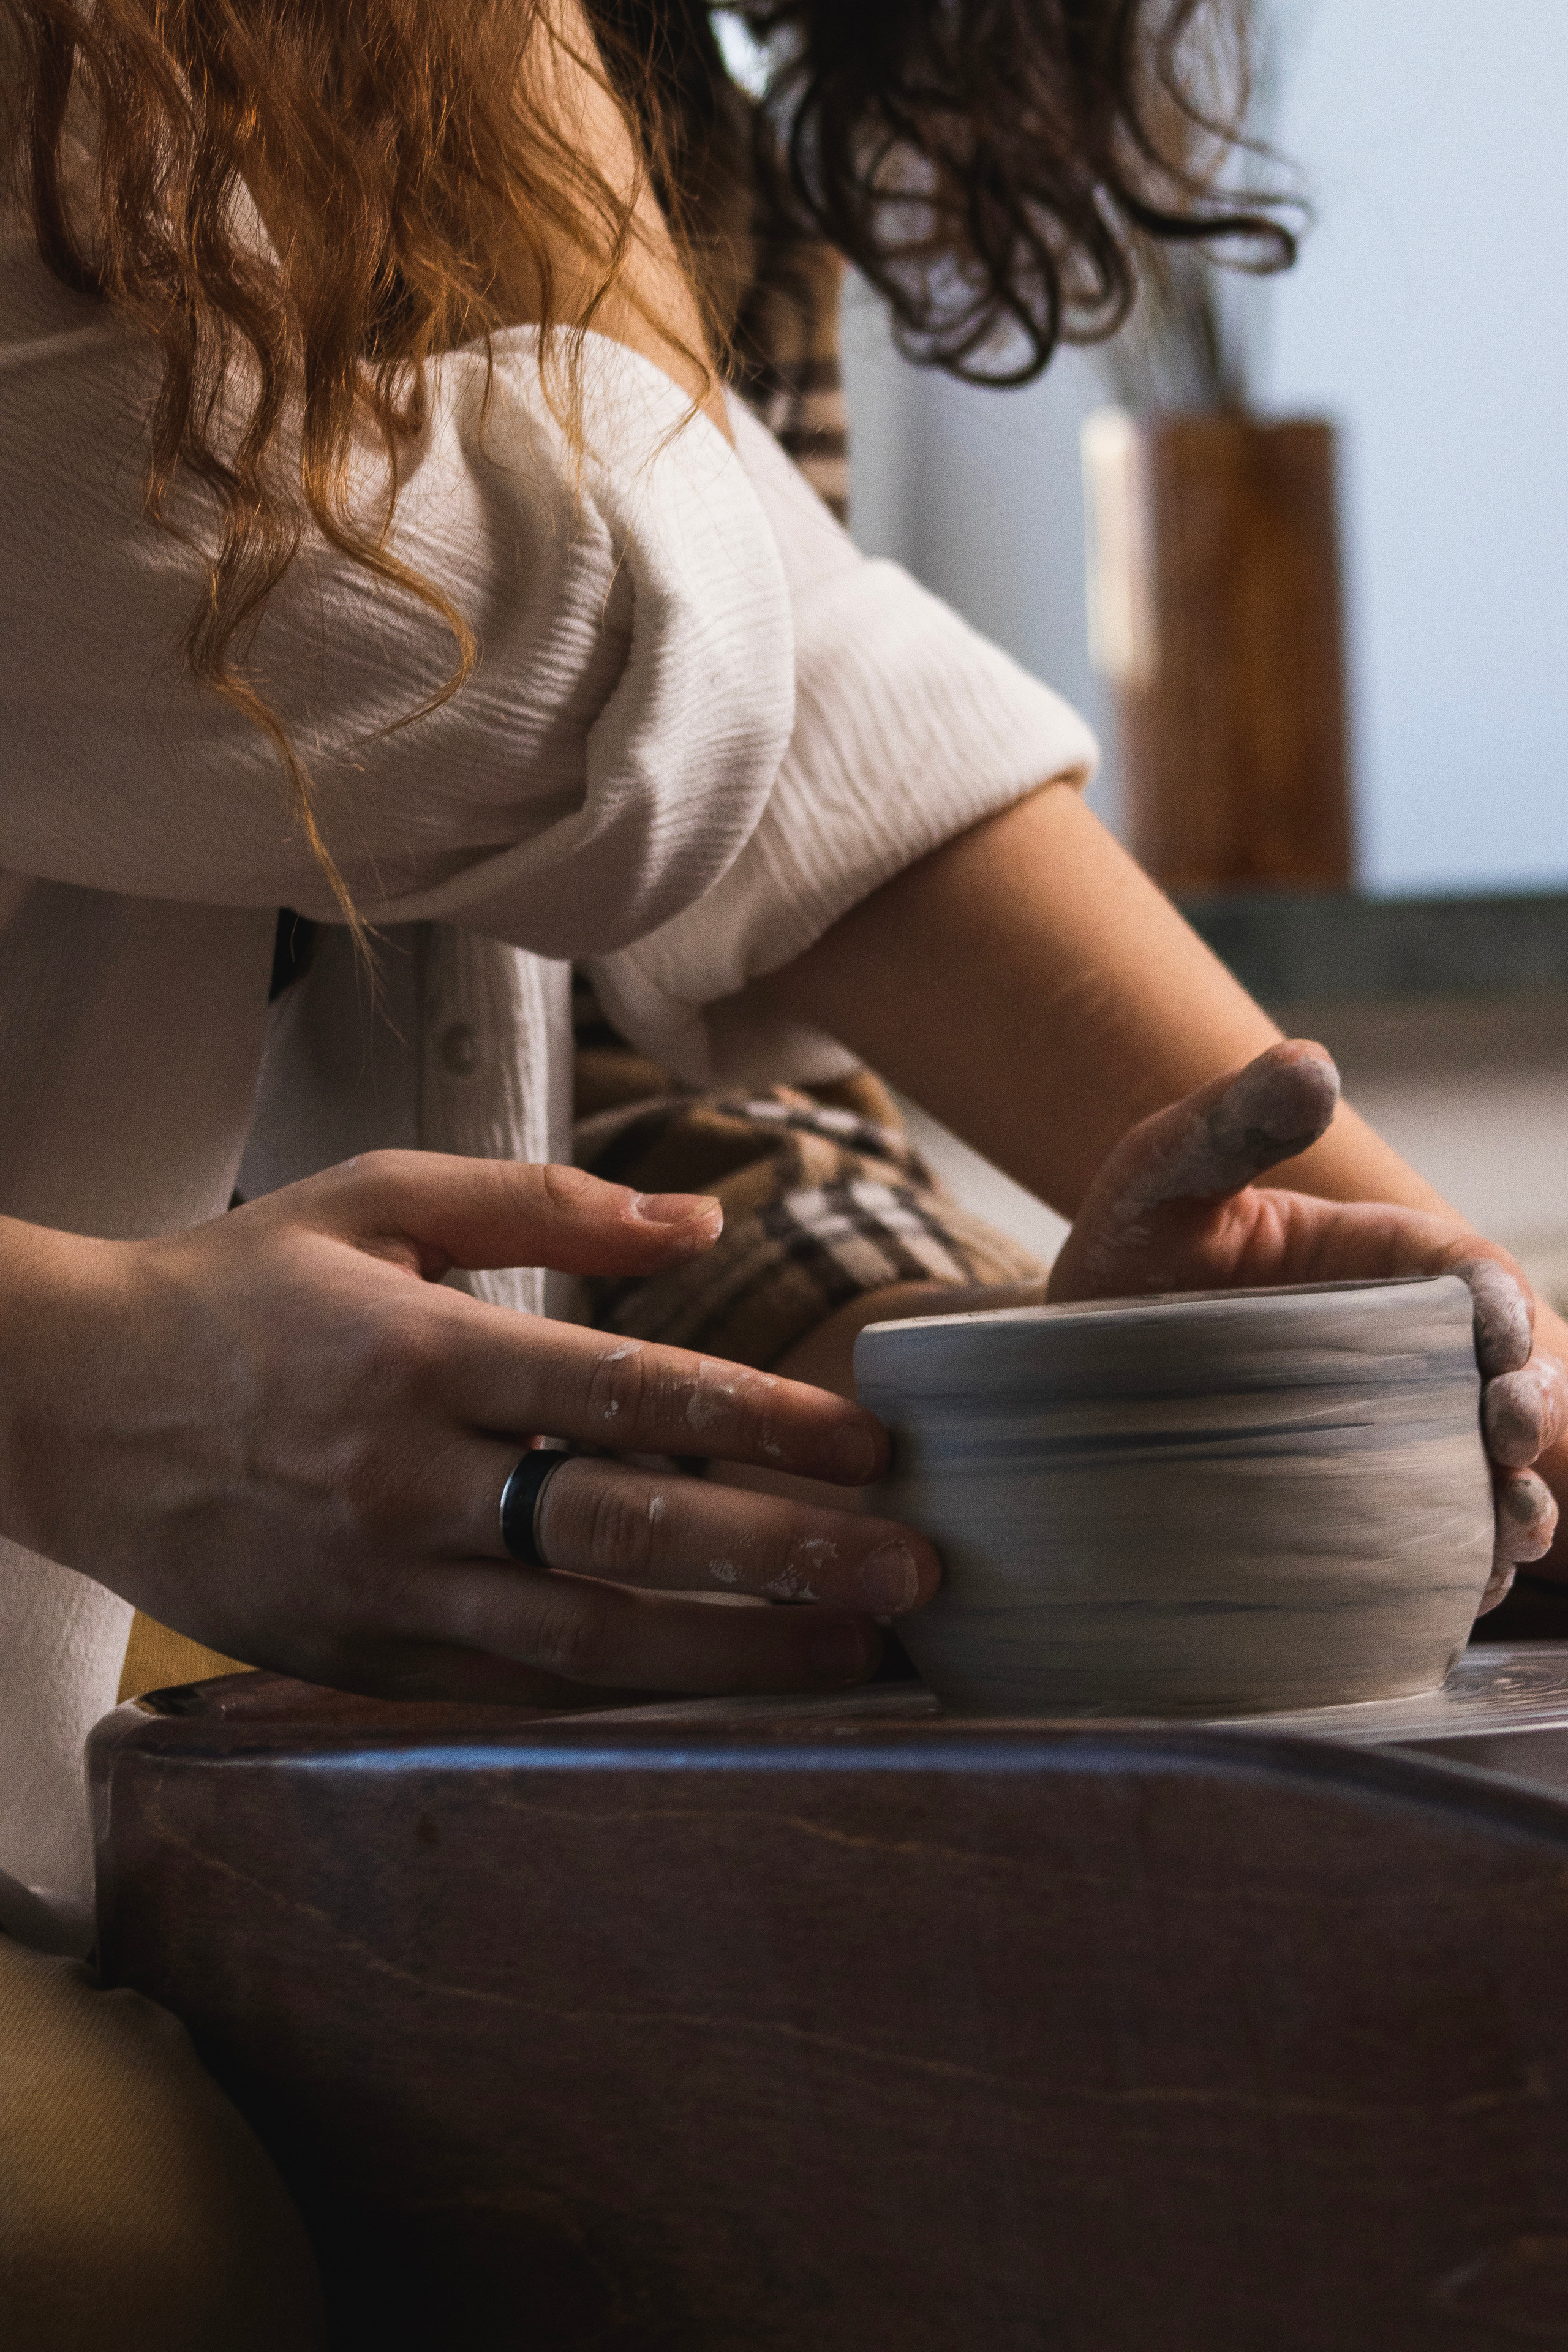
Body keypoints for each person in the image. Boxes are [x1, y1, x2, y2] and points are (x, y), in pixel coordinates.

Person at [2, 0, 1564, 2339]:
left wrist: (1011, 1393)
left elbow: (624, 966)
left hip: (113, 1681)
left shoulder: (619, 89)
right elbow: (607, 667)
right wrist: (68, 1374)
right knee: (149, 2257)